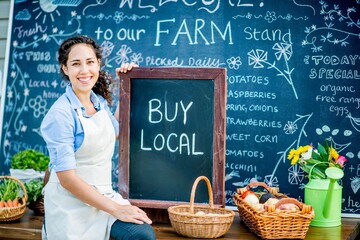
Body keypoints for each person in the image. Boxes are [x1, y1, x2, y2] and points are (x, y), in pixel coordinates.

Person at [40, 35, 156, 240]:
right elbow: (67, 180)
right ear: (65, 69)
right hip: (71, 205)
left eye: (90, 62)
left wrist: (127, 84)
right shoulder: (60, 115)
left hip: (103, 197)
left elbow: (116, 132)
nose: (84, 70)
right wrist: (116, 209)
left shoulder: (98, 101)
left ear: (98, 64)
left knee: (142, 234)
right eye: (76, 64)